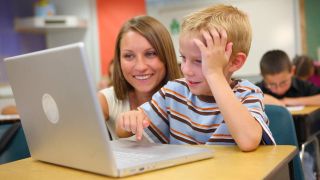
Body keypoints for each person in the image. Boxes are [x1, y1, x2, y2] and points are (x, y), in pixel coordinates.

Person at [116, 4, 275, 152]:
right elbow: (121, 130)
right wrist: (129, 120)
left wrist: (214, 74)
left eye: (200, 61)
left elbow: (248, 141)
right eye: (183, 58)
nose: (186, 70)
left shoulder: (247, 94)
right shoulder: (173, 93)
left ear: (235, 62)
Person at [98, 15, 181, 140]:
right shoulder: (106, 100)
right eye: (129, 56)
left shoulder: (187, 98)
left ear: (166, 56)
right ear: (119, 60)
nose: (140, 67)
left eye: (150, 54)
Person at [256, 50, 320, 106]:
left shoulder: (302, 85)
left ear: (292, 71)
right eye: (272, 85)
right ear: (263, 77)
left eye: (283, 83)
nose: (279, 89)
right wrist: (275, 102)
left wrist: (289, 101)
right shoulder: (256, 89)